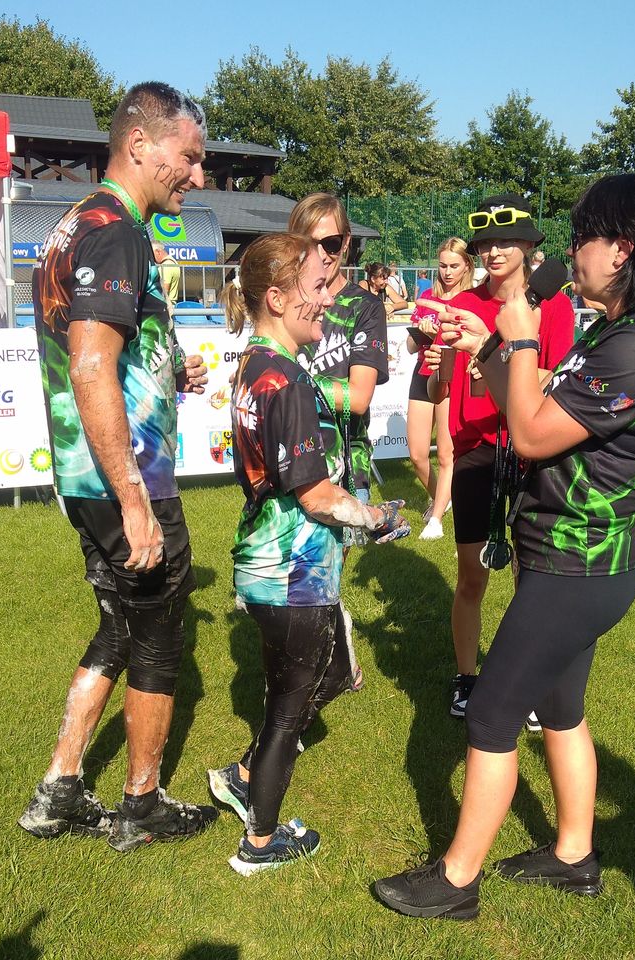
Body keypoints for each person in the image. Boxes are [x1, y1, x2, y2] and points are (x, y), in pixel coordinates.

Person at [373, 152, 635, 920]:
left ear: (621, 249)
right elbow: (541, 400)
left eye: (583, 237)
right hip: (575, 562)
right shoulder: (619, 331)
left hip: (576, 569)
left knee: (490, 714)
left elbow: (531, 432)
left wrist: (515, 340)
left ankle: (456, 881)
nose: (571, 252)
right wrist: (482, 347)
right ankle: (573, 857)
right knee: (559, 708)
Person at [20, 81, 216, 853]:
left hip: (84, 475)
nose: (198, 174)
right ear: (140, 144)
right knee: (160, 631)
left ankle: (61, 788)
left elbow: (106, 350)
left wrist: (166, 371)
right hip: (124, 478)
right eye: (188, 157)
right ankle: (141, 805)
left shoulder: (73, 225)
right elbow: (91, 364)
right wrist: (134, 500)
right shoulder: (117, 232)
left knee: (119, 624)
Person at [207, 233, 408, 875]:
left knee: (326, 678)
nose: (328, 299)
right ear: (276, 297)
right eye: (317, 287)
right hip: (290, 572)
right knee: (289, 712)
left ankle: (243, 776)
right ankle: (261, 842)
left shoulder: (256, 362)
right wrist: (374, 517)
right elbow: (317, 495)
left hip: (272, 562)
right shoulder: (288, 378)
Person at [426, 196, 574, 718]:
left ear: (529, 245)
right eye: (485, 243)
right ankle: (466, 678)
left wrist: (492, 353)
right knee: (472, 576)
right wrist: (439, 364)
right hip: (475, 451)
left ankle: (526, 682)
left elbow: (555, 382)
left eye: (505, 241)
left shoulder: (552, 305)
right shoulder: (463, 303)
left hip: (531, 450)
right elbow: (441, 385)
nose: (493, 252)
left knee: (530, 580)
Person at [288, 193, 390, 693]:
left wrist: (292, 383)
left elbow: (360, 397)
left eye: (330, 242)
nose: (320, 254)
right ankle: (328, 666)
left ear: (346, 243)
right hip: (291, 455)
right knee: (298, 575)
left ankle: (323, 671)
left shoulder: (364, 307)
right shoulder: (287, 298)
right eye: (308, 242)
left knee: (325, 574)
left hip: (343, 463)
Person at [406, 237, 475, 541]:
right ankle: (442, 500)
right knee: (417, 454)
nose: (447, 272)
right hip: (423, 371)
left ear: (467, 266)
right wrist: (422, 332)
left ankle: (435, 519)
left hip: (454, 374)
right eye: (443, 266)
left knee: (447, 453)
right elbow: (410, 347)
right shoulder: (426, 297)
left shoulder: (471, 299)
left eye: (454, 266)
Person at [152, 241, 181, 312]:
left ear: (158, 252)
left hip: (165, 307)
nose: (151, 257)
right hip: (171, 305)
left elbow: (163, 290)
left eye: (152, 254)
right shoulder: (173, 263)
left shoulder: (165, 267)